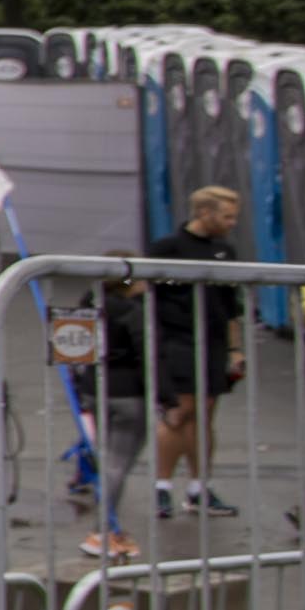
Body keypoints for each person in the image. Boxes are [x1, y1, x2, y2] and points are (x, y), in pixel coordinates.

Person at [109, 182, 254, 517]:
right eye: (227, 216)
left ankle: (199, 487)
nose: (232, 223)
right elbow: (140, 292)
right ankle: (162, 487)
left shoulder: (224, 252)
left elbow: (231, 306)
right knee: (178, 412)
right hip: (176, 341)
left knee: (205, 414)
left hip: (213, 343)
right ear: (204, 212)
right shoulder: (167, 248)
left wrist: (234, 349)